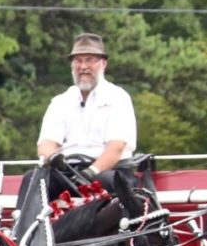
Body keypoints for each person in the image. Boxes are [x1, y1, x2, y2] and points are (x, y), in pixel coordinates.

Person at [32, 32, 137, 200]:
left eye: (90, 60)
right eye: (78, 60)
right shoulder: (61, 101)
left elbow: (116, 148)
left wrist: (91, 172)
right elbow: (46, 144)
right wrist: (54, 158)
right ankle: (24, 225)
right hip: (67, 171)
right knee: (34, 179)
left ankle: (124, 226)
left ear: (103, 63)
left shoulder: (118, 97)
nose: (83, 66)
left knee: (109, 181)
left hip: (107, 171)